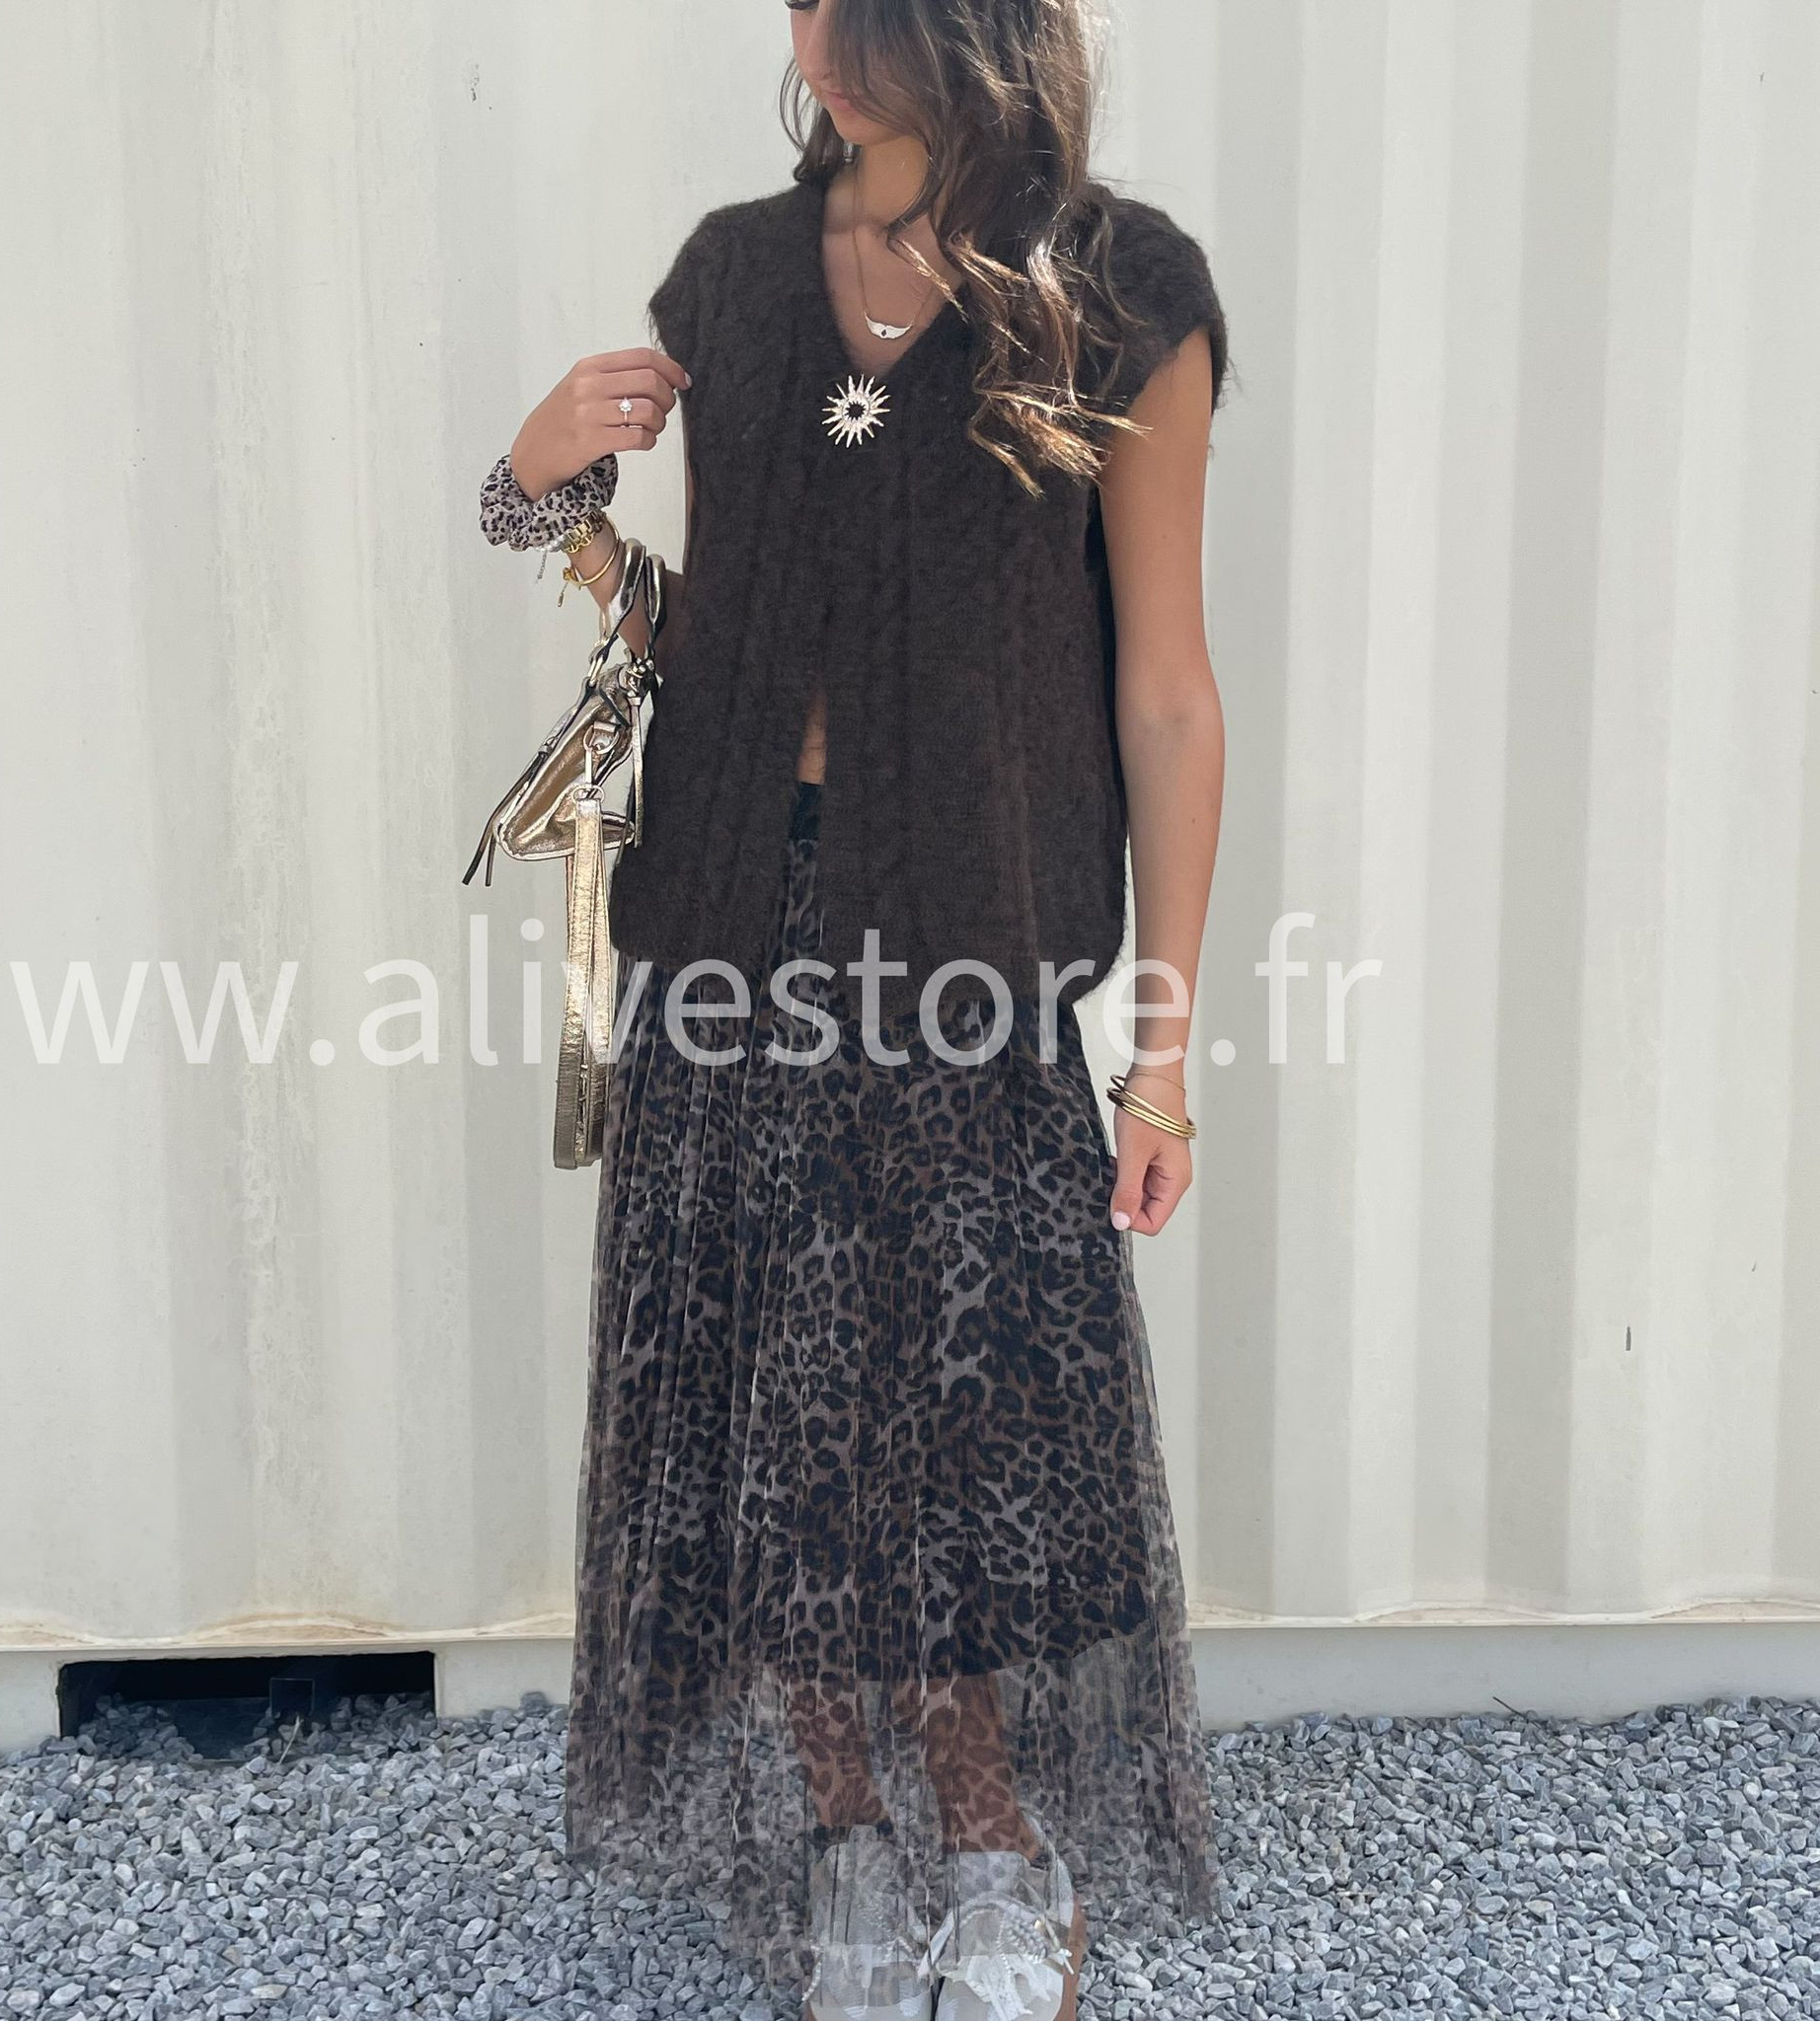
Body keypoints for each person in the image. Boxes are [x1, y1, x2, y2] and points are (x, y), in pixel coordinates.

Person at [497, 3, 1231, 2013]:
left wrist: (1162, 1055)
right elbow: (713, 635)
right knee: (773, 1406)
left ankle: (992, 1847)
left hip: (972, 945)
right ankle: (840, 1830)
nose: (817, 32)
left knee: (958, 1413)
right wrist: (542, 489)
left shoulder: (1117, 291)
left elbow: (1166, 692)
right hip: (732, 923)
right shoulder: (735, 278)